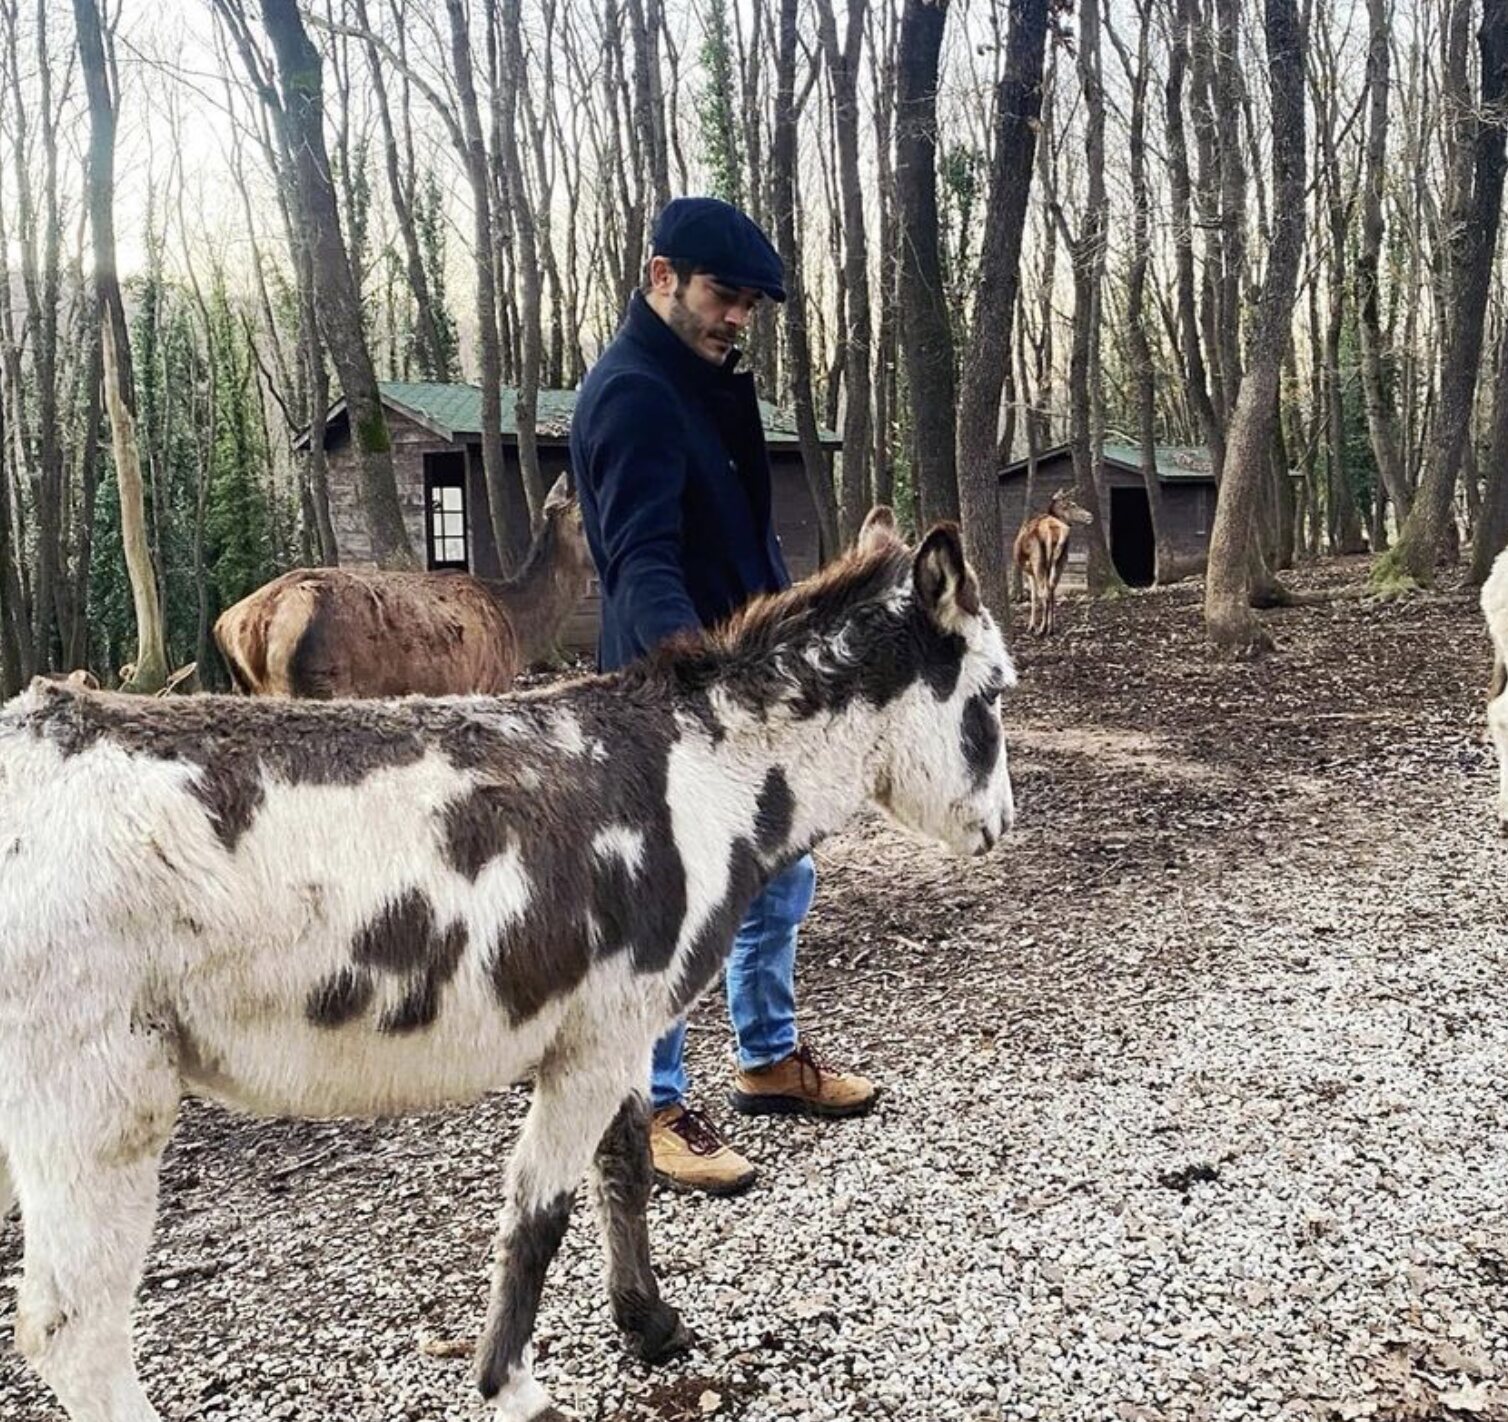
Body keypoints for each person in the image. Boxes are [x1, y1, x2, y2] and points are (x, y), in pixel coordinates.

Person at [570, 196, 876, 1196]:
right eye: (720, 294)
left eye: (748, 303)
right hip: (677, 702)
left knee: (780, 877)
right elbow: (640, 560)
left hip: (748, 690)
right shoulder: (631, 394)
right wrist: (699, 683)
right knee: (673, 909)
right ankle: (649, 1106)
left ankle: (765, 1060)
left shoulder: (700, 384)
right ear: (659, 276)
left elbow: (739, 542)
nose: (735, 315)